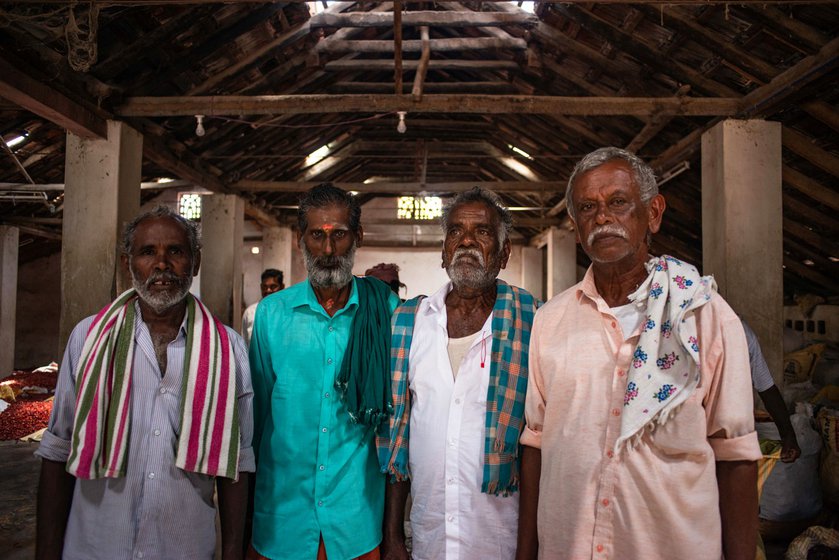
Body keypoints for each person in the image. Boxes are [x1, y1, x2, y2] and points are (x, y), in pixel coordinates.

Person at [519, 147, 761, 560]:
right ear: (575, 228)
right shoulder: (550, 321)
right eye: (587, 208)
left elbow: (735, 455)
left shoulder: (702, 316)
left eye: (617, 203)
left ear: (652, 213)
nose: (602, 218)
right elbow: (537, 444)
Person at [35, 206, 254, 560]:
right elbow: (58, 451)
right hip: (94, 546)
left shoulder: (227, 348)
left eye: (176, 252)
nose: (162, 264)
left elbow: (238, 463)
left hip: (183, 547)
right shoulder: (88, 338)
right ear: (128, 264)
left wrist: (232, 551)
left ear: (195, 263)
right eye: (148, 252)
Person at [379, 188, 539, 560]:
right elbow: (397, 434)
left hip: (501, 542)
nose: (466, 240)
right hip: (429, 537)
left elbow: (542, 440)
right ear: (443, 251)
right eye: (455, 232)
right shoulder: (410, 323)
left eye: (482, 232)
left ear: (504, 253)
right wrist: (392, 536)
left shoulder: (534, 322)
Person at [248, 183, 400, 560]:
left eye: (339, 235)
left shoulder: (389, 312)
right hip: (282, 519)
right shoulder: (272, 315)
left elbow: (398, 420)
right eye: (317, 235)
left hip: (356, 521)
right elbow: (256, 421)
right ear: (302, 239)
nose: (329, 250)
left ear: (358, 237)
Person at [742, 319, 801, 462]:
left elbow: (766, 386)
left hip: (730, 431)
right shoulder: (684, 328)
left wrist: (788, 436)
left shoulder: (742, 332)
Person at [241, 269, 284, 346]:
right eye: (265, 287)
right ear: (261, 287)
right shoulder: (250, 313)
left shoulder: (287, 313)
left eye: (273, 286)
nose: (268, 290)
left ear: (282, 287)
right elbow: (244, 343)